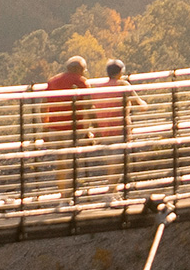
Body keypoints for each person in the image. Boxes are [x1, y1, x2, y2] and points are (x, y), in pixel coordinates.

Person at [89, 59, 142, 193]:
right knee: (117, 163)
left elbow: (92, 110)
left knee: (111, 162)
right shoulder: (123, 85)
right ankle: (111, 192)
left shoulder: (97, 88)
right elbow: (140, 105)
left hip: (103, 130)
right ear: (120, 72)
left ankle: (112, 192)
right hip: (120, 130)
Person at [43, 54, 89, 195]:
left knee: (61, 161)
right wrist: (88, 129)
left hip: (55, 128)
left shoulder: (53, 81)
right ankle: (69, 193)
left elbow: (44, 106)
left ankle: (63, 192)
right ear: (80, 70)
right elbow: (87, 107)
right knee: (71, 161)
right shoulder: (82, 82)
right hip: (73, 129)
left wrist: (45, 127)